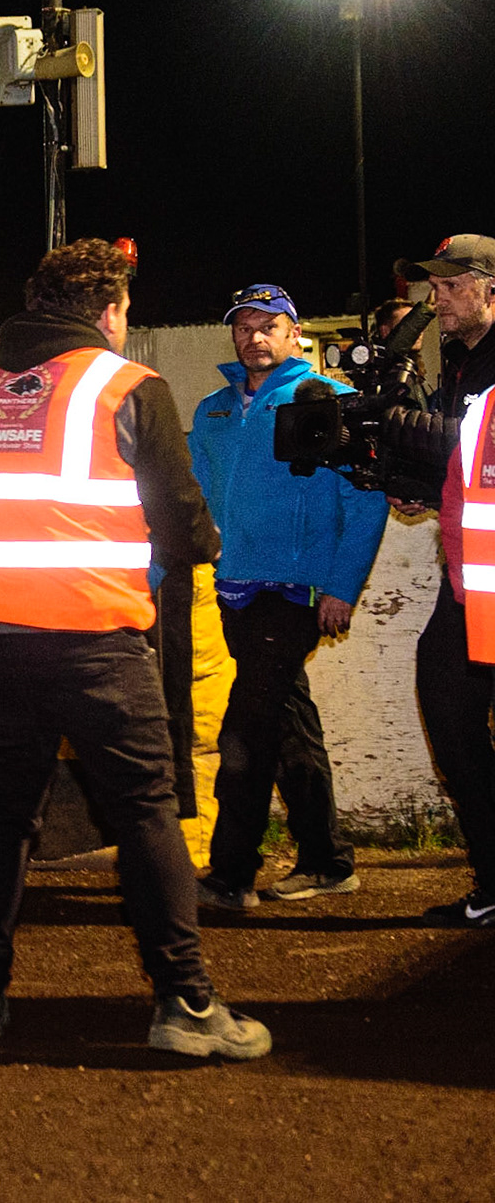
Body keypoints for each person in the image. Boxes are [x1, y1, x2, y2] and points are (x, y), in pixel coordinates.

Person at [0, 236, 269, 1059]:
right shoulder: (126, 384)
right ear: (108, 309)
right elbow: (183, 520)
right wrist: (200, 538)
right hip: (98, 639)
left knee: (1, 818)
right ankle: (184, 1002)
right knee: (146, 811)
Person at [189, 283, 386, 910]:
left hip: (296, 591)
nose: (255, 336)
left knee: (245, 730)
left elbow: (367, 498)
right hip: (233, 590)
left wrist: (340, 586)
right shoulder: (214, 410)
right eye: (244, 325)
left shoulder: (332, 402)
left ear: (295, 333)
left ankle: (231, 873)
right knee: (287, 721)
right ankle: (327, 860)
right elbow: (192, 498)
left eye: (269, 324)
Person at [400, 235, 495, 927]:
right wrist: (427, 488)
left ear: (491, 288)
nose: (437, 298)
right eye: (435, 286)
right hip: (467, 580)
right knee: (454, 724)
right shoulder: (457, 361)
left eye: (452, 285)